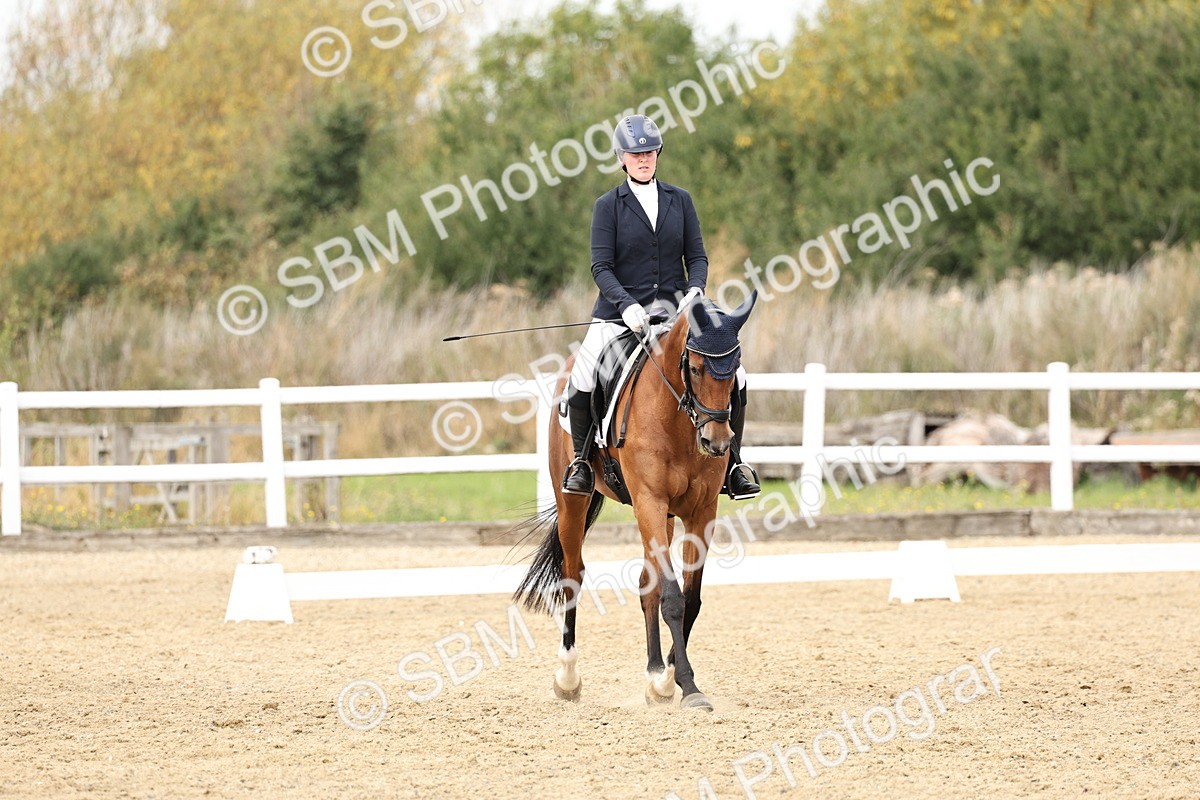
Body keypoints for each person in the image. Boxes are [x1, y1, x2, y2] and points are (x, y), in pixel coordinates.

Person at [560, 113, 760, 500]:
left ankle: (733, 463)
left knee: (738, 373)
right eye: (636, 154)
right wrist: (627, 305)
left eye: (649, 152)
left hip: (678, 312)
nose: (643, 159)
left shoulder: (679, 200)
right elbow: (601, 267)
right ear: (622, 158)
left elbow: (696, 257)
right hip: (620, 315)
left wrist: (694, 290)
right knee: (583, 373)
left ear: (658, 154)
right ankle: (582, 462)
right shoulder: (608, 206)